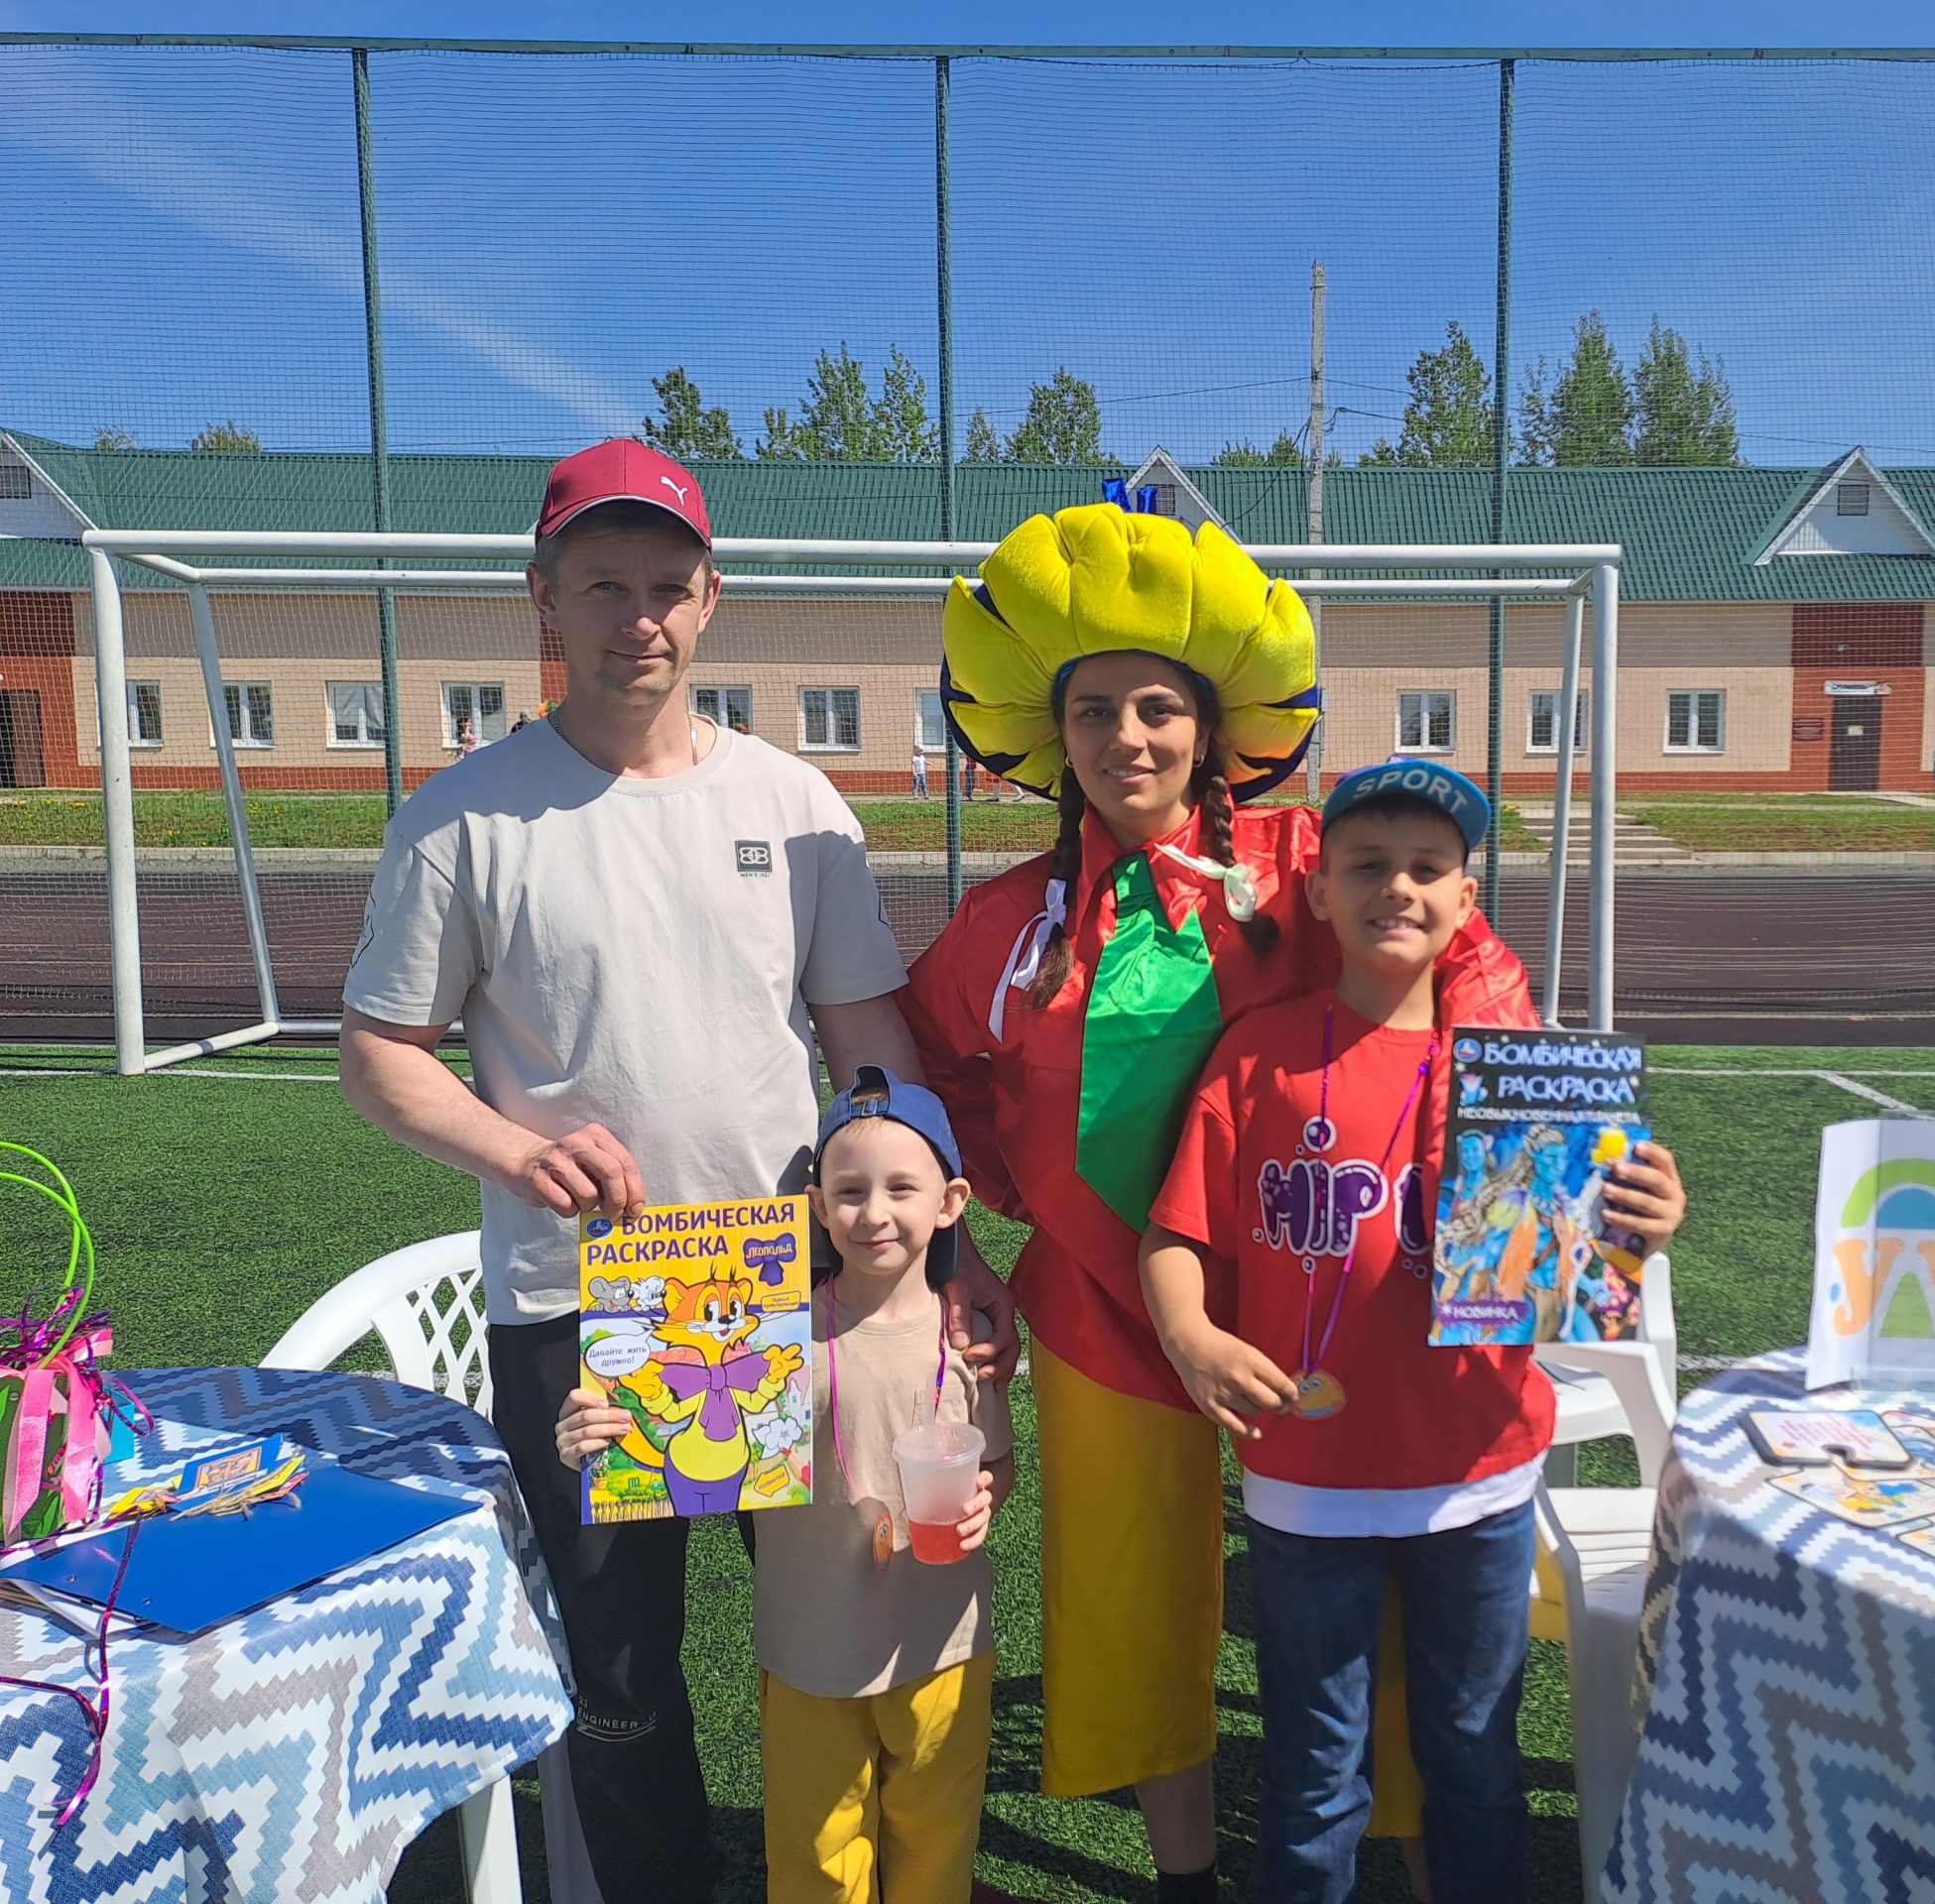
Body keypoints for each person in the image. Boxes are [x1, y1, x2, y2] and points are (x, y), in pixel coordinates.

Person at [337, 435, 1016, 1904]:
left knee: (850, 1620)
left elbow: (871, 1046)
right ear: (543, 598)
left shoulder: (797, 804)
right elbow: (379, 1054)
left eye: (665, 586)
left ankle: (852, 1876)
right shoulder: (459, 820)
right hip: (584, 1302)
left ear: (711, 601)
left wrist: (951, 1257)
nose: (635, 617)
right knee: (625, 1672)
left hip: (797, 1289)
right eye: (602, 585)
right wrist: (519, 1147)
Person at [904, 501, 1535, 1899]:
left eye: (1158, 709)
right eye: (1094, 712)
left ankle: (1414, 1855)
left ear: (1209, 728)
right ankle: (1187, 1875)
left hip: (1335, 1304)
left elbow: (1468, 961)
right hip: (1101, 1311)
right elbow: (925, 1066)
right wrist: (993, 1210)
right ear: (1052, 736)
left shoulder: (1307, 864)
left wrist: (1497, 1170)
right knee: (1132, 1602)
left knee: (1382, 1586)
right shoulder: (1002, 924)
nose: (1126, 738)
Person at [1137, 760, 1686, 1904]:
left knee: (1474, 1761)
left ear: (1465, 897)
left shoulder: (1526, 1072)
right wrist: (1190, 1335)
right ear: (1319, 891)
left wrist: (1647, 1216)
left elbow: (1593, 1248)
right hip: (1307, 1477)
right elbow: (1175, 1234)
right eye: (1368, 865)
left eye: (1428, 867)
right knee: (1312, 1770)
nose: (1398, 887)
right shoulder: (1259, 1055)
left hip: (1476, 1469)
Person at [557, 1065, 1012, 1904]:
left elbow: (997, 1465)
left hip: (943, 1645)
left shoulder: (969, 1337)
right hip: (810, 1646)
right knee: (816, 1856)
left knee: (937, 1840)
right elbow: (672, 1430)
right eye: (850, 1192)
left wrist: (986, 1497)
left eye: (901, 1188)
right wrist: (599, 1432)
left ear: (950, 1202)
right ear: (816, 1207)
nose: (874, 1213)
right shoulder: (775, 1337)